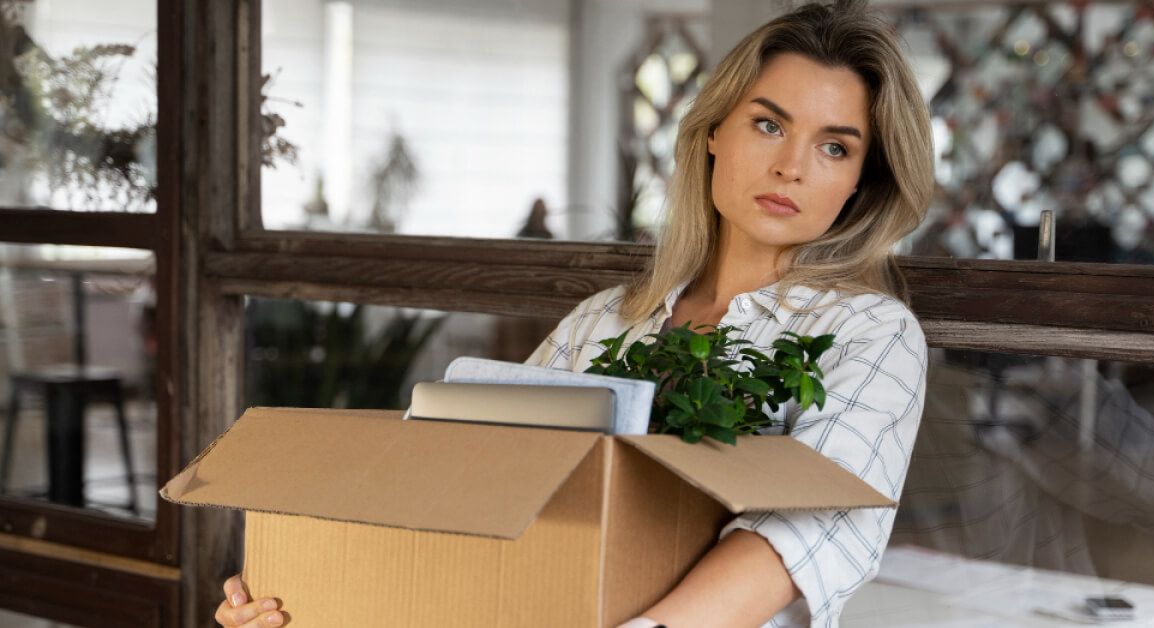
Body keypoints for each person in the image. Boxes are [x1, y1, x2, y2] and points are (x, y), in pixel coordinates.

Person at [215, 1, 933, 626]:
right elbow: (477, 485)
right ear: (715, 130)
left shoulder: (871, 334)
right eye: (769, 125)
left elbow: (812, 530)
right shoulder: (603, 321)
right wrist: (313, 589)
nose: (793, 168)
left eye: (834, 147)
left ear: (859, 184)